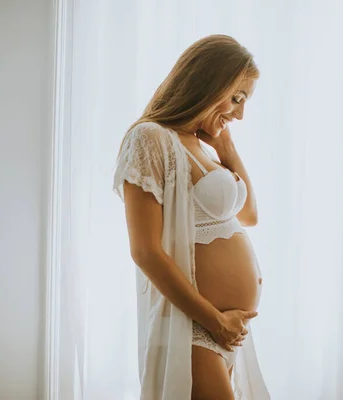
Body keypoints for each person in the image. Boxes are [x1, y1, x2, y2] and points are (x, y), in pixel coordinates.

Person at [113, 34, 269, 400]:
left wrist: (227, 150)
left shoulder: (201, 146)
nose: (240, 113)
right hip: (195, 326)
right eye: (237, 98)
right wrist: (215, 321)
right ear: (208, 82)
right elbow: (145, 252)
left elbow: (249, 216)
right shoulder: (150, 138)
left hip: (227, 330)